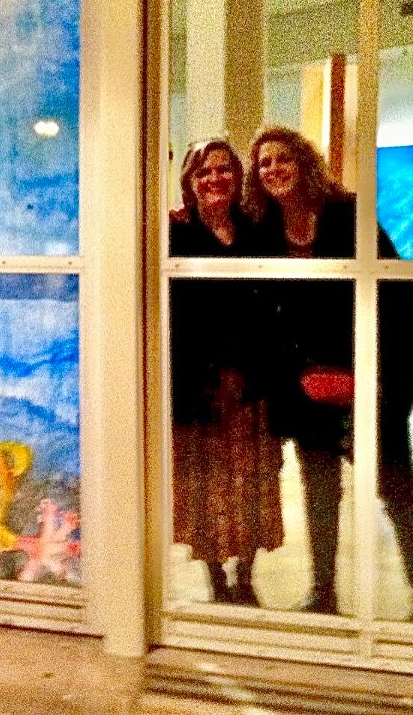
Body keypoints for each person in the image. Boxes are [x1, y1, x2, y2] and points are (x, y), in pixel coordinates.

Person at [244, 125, 413, 622]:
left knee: (397, 487)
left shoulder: (348, 214)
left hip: (371, 379)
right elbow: (263, 314)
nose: (274, 169)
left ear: (304, 162)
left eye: (283, 158)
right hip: (305, 386)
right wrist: (299, 375)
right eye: (264, 162)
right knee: (319, 493)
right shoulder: (264, 230)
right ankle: (324, 594)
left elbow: (396, 290)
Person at [170, 139, 285, 606]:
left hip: (254, 383)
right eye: (204, 172)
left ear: (238, 177)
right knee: (206, 485)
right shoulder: (174, 233)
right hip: (199, 387)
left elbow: (272, 310)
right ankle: (217, 578)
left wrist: (248, 370)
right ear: (190, 181)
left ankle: (246, 575)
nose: (214, 179)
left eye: (223, 170)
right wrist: (209, 376)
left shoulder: (258, 231)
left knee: (254, 481)